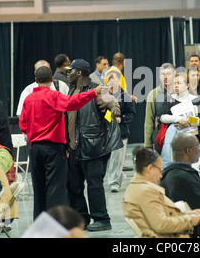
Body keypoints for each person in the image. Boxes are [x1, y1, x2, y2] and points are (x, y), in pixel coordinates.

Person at [19, 66, 101, 220]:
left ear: (36, 80)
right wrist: (93, 92)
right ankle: (54, 224)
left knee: (39, 188)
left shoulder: (28, 99)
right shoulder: (53, 96)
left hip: (35, 148)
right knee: (55, 189)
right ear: (52, 80)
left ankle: (40, 223)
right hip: (53, 149)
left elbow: (22, 124)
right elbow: (73, 103)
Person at [65, 59, 122, 232]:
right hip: (74, 148)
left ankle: (102, 219)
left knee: (94, 185)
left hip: (93, 148)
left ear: (79, 72)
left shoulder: (97, 89)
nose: (68, 74)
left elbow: (113, 103)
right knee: (74, 186)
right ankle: (82, 218)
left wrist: (113, 112)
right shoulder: (71, 90)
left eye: (71, 71)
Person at [122, 146, 200, 238]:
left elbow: (159, 216)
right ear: (150, 168)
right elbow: (161, 224)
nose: (161, 175)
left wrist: (187, 215)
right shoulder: (145, 191)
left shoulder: (137, 188)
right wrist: (189, 220)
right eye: (160, 169)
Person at [160, 72, 200, 168]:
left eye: (179, 83)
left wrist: (186, 122)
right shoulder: (169, 99)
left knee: (191, 162)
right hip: (174, 135)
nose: (175, 86)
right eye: (174, 83)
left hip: (193, 135)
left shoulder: (196, 99)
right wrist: (179, 119)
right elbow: (162, 117)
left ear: (187, 85)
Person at [105, 69, 136, 192]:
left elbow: (131, 115)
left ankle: (114, 182)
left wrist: (120, 119)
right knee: (109, 159)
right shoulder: (104, 96)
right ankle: (119, 176)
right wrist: (109, 118)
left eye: (114, 78)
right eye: (109, 78)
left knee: (117, 159)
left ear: (119, 80)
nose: (112, 80)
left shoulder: (126, 96)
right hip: (106, 132)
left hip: (121, 133)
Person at [160, 132, 200, 211]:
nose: (199, 150)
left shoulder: (166, 174)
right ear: (189, 151)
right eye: (198, 146)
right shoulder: (184, 177)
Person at [144, 63, 175, 150]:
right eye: (163, 74)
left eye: (168, 74)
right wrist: (148, 145)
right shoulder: (153, 94)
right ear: (159, 77)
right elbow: (149, 121)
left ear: (174, 75)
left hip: (179, 139)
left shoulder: (180, 92)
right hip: (160, 139)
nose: (165, 77)